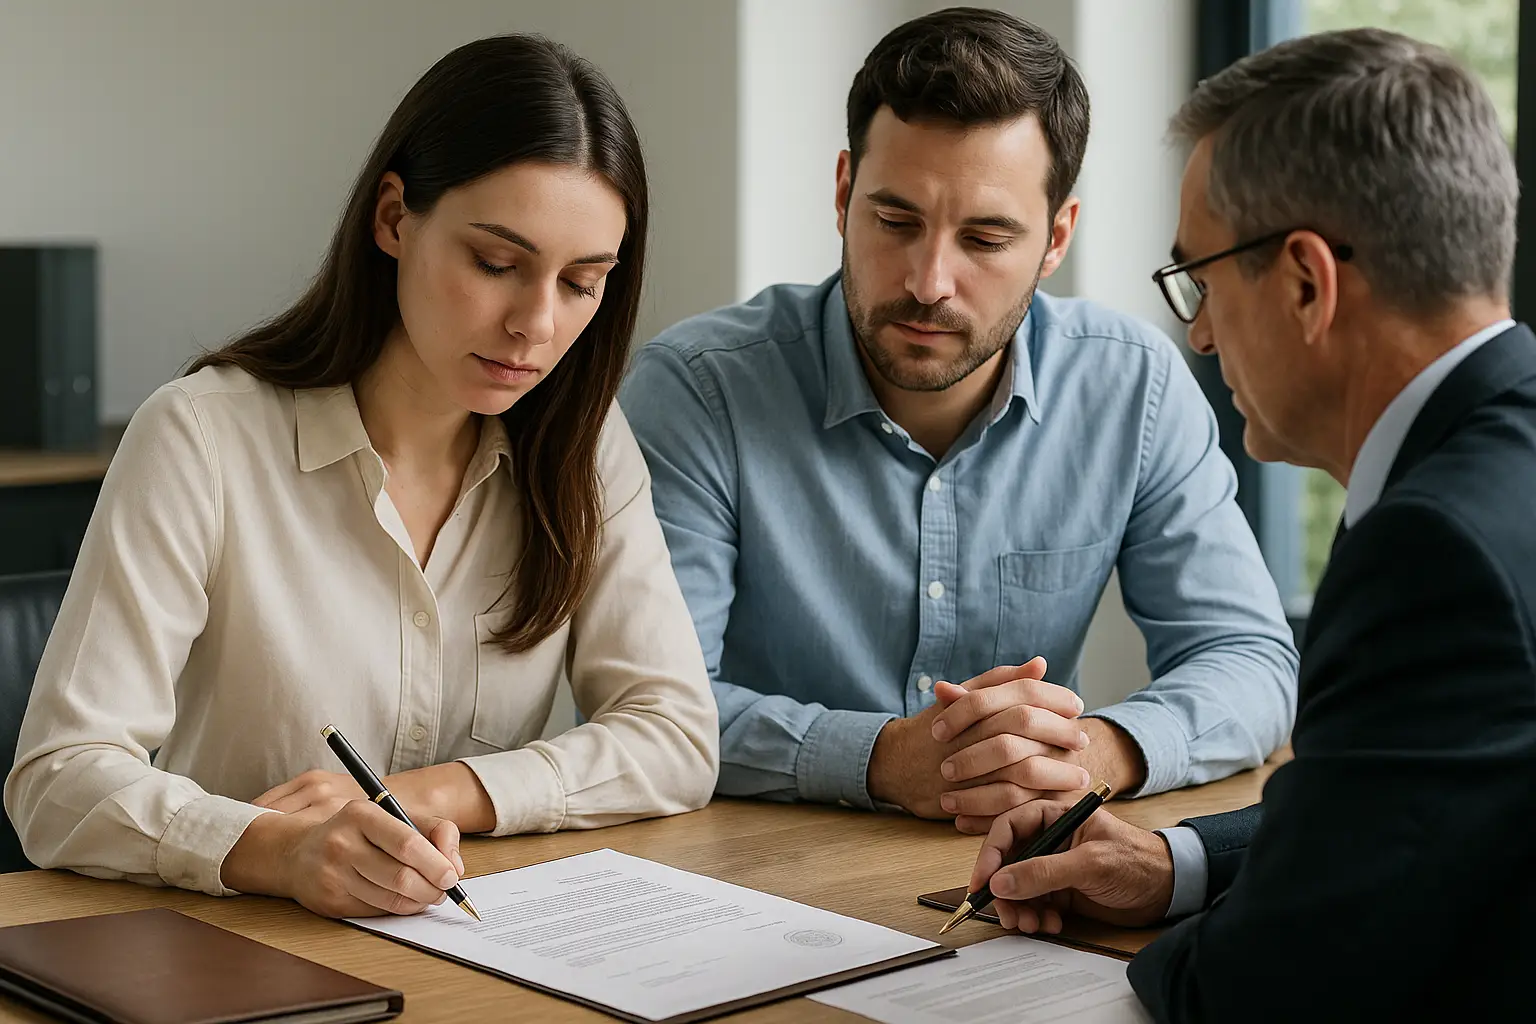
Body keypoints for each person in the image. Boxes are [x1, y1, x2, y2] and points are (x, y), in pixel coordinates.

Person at [5, 35, 719, 919]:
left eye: (581, 282)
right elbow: (59, 779)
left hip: (474, 941)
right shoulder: (201, 436)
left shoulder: (586, 444)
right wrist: (279, 850)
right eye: (497, 264)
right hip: (236, 946)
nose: (536, 324)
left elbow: (676, 738)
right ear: (392, 219)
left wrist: (425, 795)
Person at [968, 27, 1536, 1020]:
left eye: (1203, 279)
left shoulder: (1433, 547)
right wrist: (1174, 864)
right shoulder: (1487, 475)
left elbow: (1259, 986)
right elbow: (1396, 814)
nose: (1196, 332)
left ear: (1308, 282)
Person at [618, 7, 1296, 828]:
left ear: (1056, 238)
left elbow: (1249, 661)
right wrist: (878, 758)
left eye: (985, 238)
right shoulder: (698, 390)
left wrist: (1089, 752)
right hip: (748, 871)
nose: (929, 281)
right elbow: (646, 707)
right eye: (896, 222)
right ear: (843, 193)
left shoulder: (1133, 387)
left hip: (1021, 864)